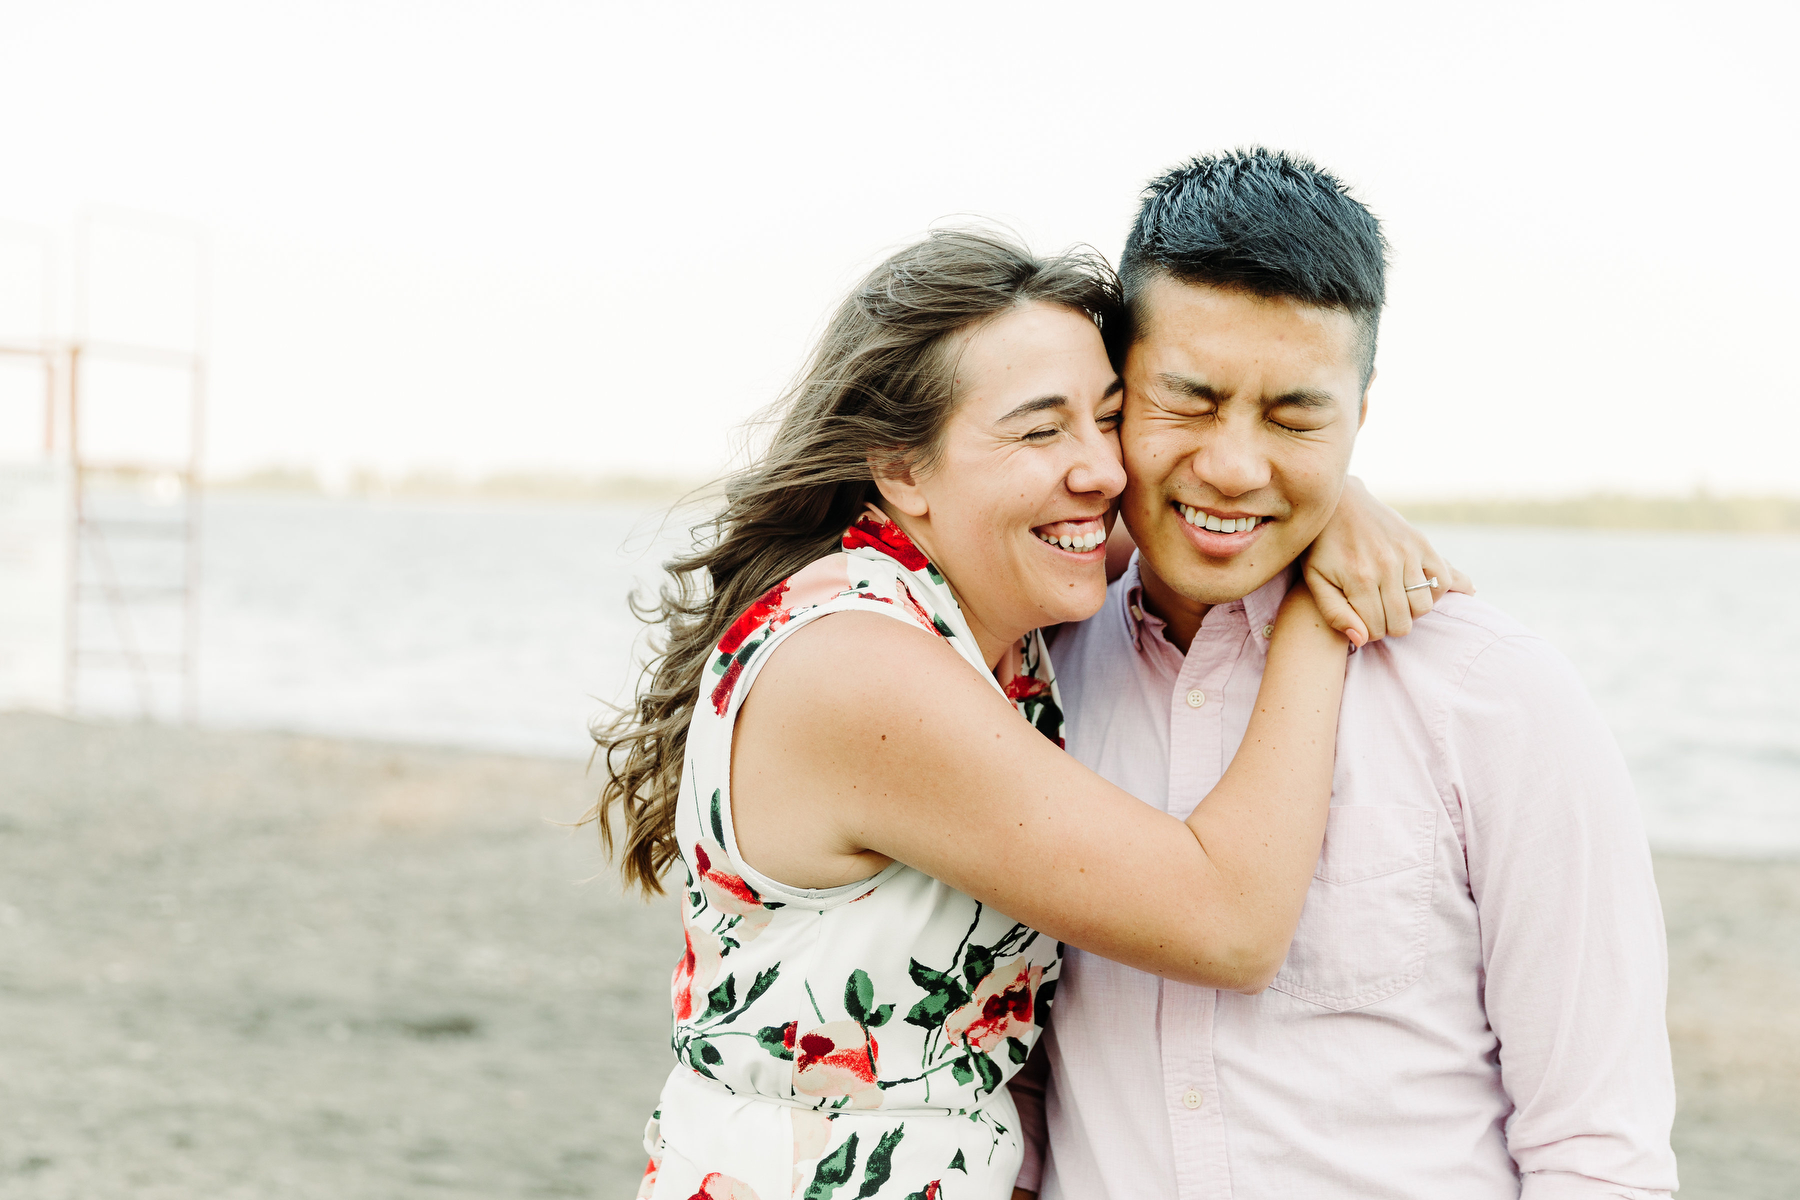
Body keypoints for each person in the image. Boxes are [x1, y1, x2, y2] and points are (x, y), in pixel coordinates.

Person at [588, 229, 1463, 1200]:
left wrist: (1324, 494)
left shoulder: (986, 596)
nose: (1100, 470)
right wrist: (1315, 614)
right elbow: (1228, 922)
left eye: (1109, 417)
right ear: (903, 468)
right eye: (1042, 431)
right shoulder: (855, 664)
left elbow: (1205, 508)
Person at [1010, 149, 1678, 1200]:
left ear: (1361, 414)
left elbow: (1599, 1151)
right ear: (1115, 393)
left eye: (1294, 416)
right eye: (1189, 401)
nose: (1234, 465)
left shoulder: (1500, 699)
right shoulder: (1031, 674)